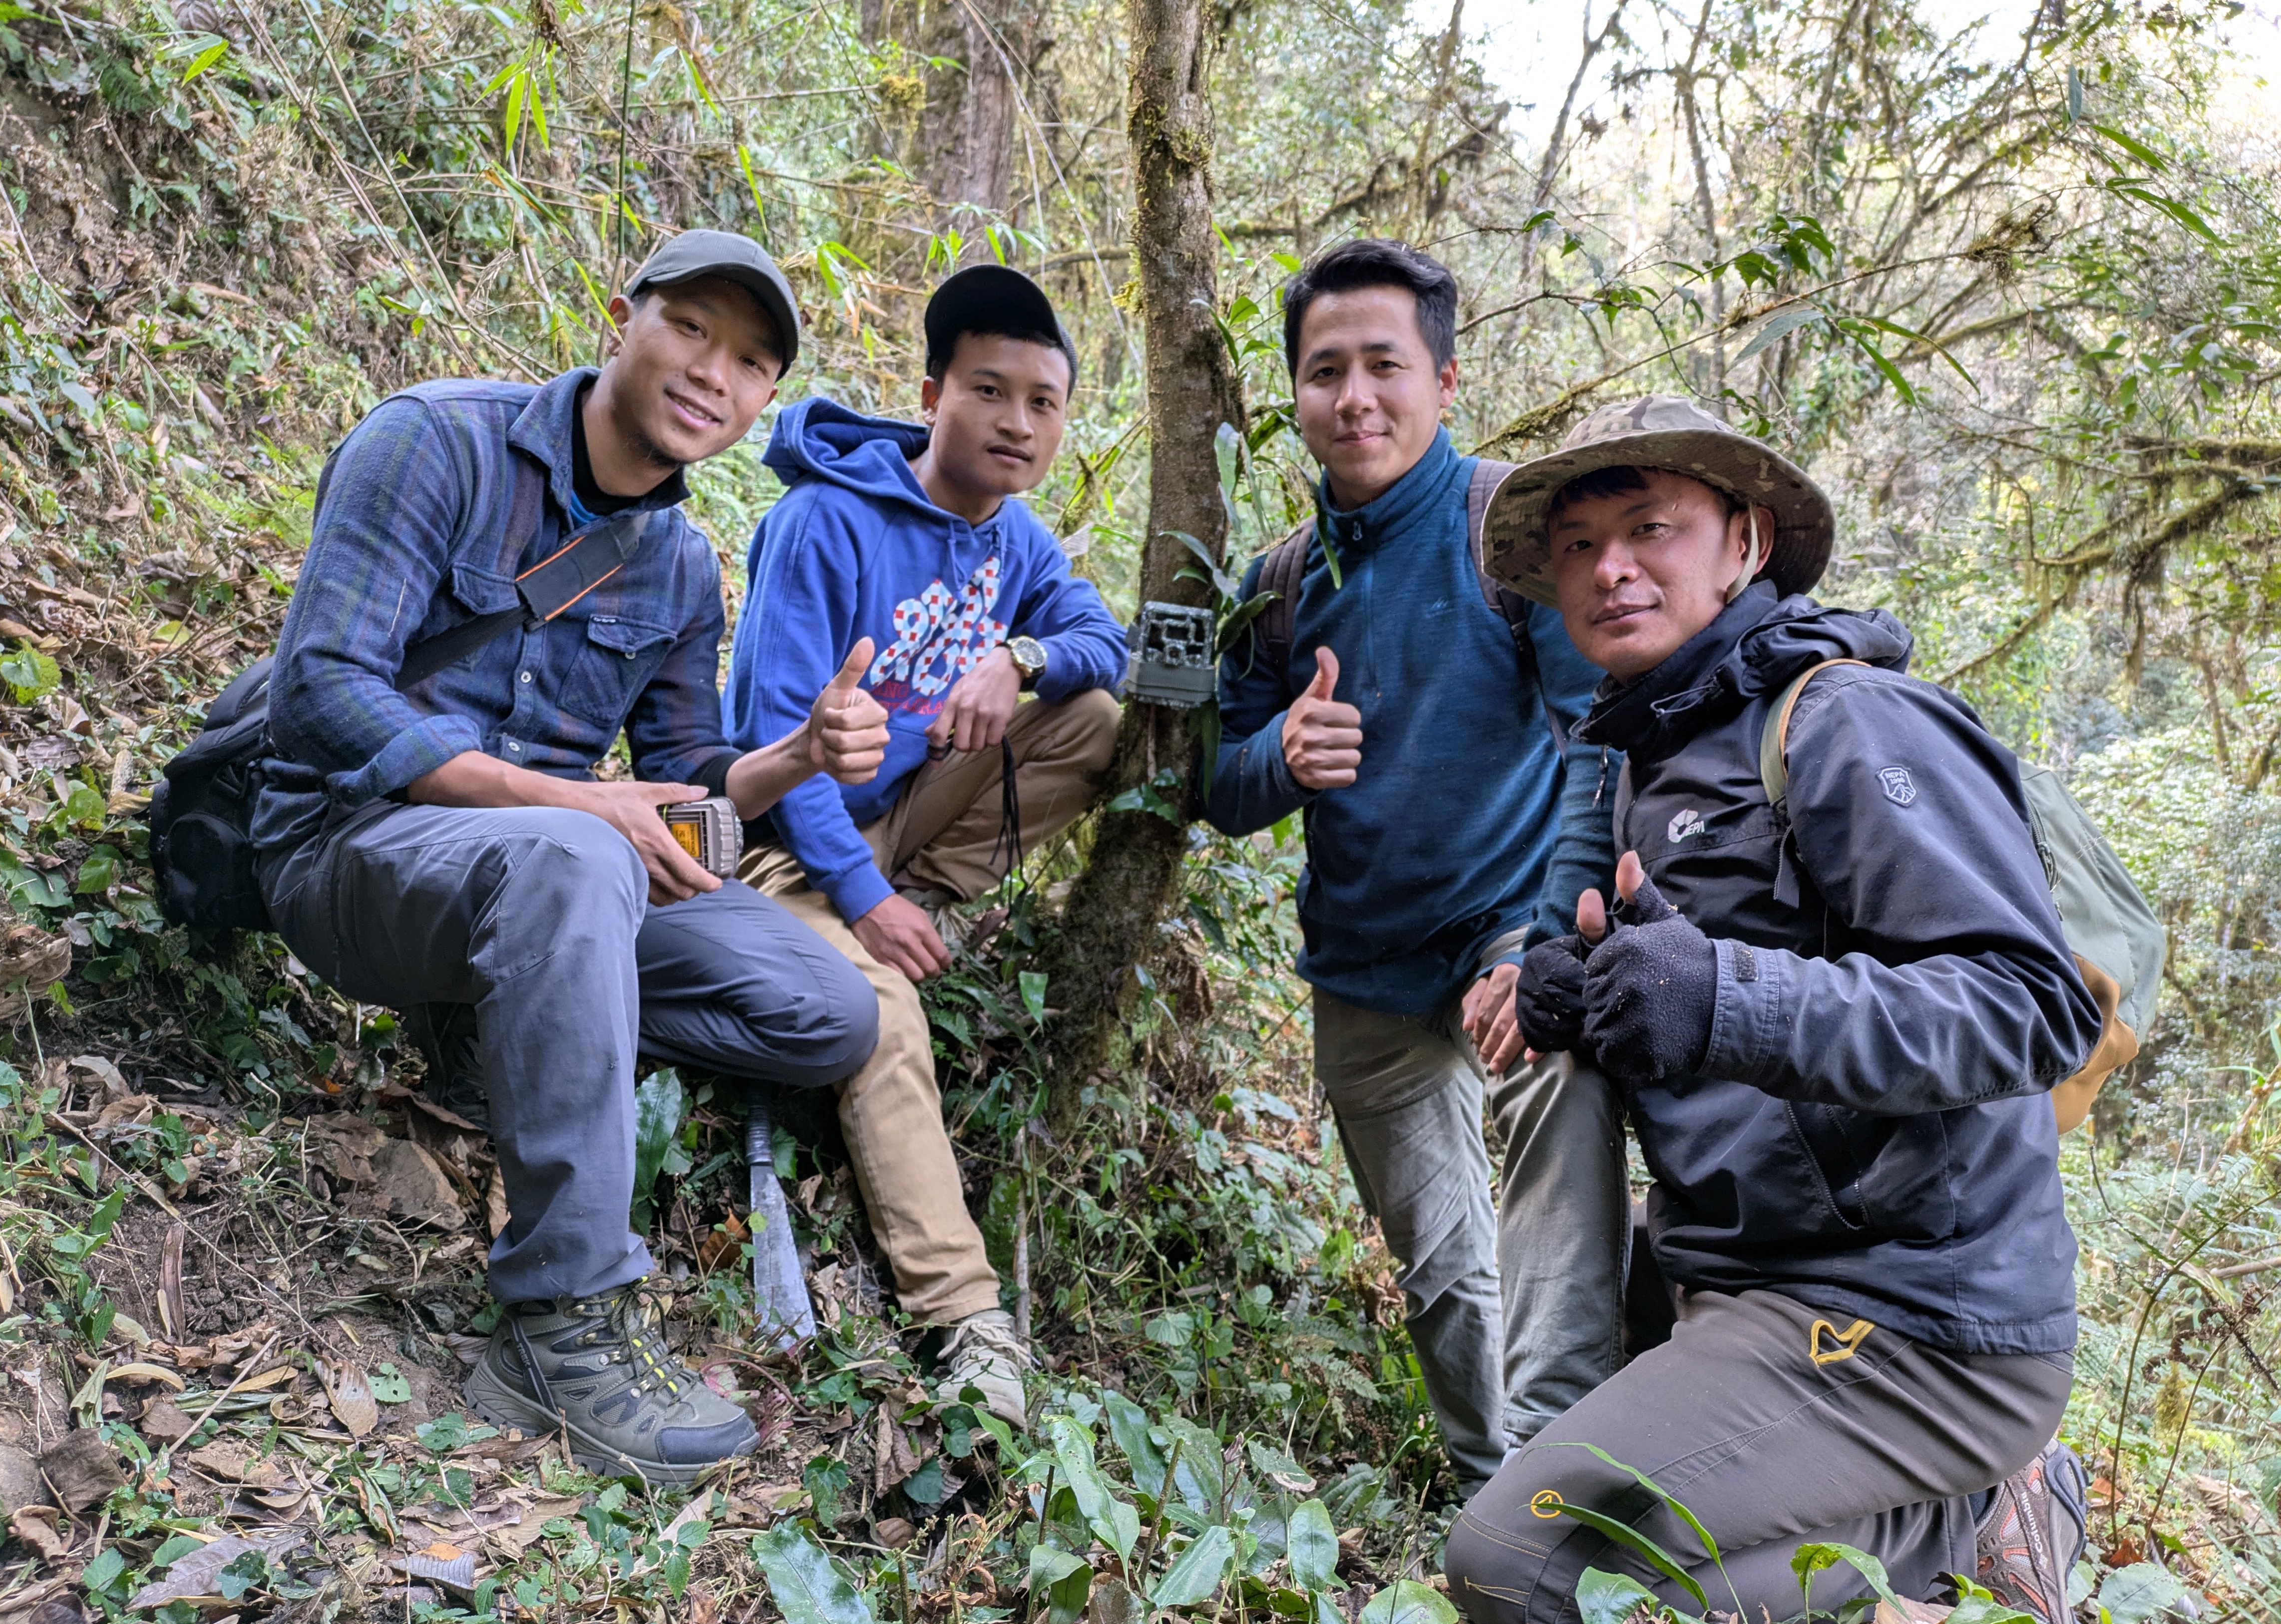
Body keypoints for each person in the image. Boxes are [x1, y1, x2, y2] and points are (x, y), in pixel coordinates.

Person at [1442, 395, 2101, 1624]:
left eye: (1650, 529)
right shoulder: (1650, 754)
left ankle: (1970, 1520)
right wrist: (1590, 992)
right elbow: (1710, 1011)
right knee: (1566, 1559)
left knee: (1514, 1567)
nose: (1609, 567)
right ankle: (1912, 1519)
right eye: (1576, 546)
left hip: (1915, 1319)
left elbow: (2033, 1004)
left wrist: (1719, 999)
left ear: (1740, 543)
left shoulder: (1846, 721)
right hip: (1747, 1285)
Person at [255, 230, 894, 1488]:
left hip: (552, 871)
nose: (717, 371)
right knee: (571, 855)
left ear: (767, 396)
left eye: (753, 358)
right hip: (346, 852)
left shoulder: (676, 559)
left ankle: (522, 1017)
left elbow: (689, 770)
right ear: (620, 316)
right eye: (693, 330)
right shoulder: (433, 442)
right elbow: (324, 691)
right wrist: (570, 802)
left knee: (826, 1007)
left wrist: (800, 756)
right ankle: (559, 1322)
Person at [1207, 238, 1627, 1501]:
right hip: (1366, 963)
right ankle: (1496, 1504)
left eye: (1384, 365)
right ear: (1292, 393)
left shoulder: (1513, 539)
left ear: (1443, 380)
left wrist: (1541, 939)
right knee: (1446, 1263)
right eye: (1324, 369)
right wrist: (1278, 757)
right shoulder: (1276, 585)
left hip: (1514, 932)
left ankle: (1591, 1495)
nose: (1355, 397)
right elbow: (1202, 787)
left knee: (1559, 1248)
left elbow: (1598, 742)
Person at [722, 265, 1128, 1426]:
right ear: (930, 393)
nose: (1017, 423)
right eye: (989, 392)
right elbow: (769, 743)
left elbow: (1102, 634)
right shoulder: (820, 522)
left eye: (1043, 403)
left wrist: (1021, 658)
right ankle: (965, 1319)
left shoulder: (1013, 539)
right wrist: (860, 899)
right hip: (787, 845)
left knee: (1091, 717)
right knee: (886, 1018)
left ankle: (918, 897)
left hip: (903, 823)